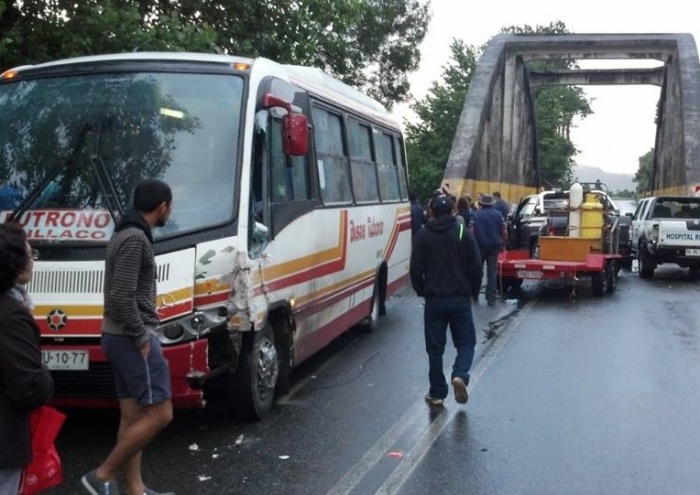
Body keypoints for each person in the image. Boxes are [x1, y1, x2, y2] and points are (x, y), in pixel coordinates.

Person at [82, 179, 175, 495]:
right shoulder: (135, 238)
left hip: (116, 335)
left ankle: (134, 489)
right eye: (169, 207)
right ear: (163, 206)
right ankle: (102, 475)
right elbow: (122, 296)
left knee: (133, 415)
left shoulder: (125, 232)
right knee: (161, 413)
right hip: (131, 337)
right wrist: (141, 337)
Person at [410, 195, 482, 407]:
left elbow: (415, 269)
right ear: (453, 212)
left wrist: (422, 290)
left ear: (431, 212)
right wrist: (474, 291)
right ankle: (459, 374)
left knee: (435, 349)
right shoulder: (462, 233)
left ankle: (437, 392)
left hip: (434, 302)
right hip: (460, 299)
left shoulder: (423, 236)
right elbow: (476, 266)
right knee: (467, 342)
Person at [0, 223, 54, 495]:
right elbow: (29, 388)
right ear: (13, 263)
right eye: (29, 254)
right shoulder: (11, 315)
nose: (32, 260)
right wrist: (44, 374)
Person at [470, 194, 508, 306]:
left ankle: (475, 294)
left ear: (481, 204)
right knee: (492, 272)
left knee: (478, 271)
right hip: (494, 246)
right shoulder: (499, 215)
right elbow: (505, 232)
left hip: (479, 246)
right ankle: (490, 298)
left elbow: (471, 231)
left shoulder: (475, 215)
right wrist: (504, 244)